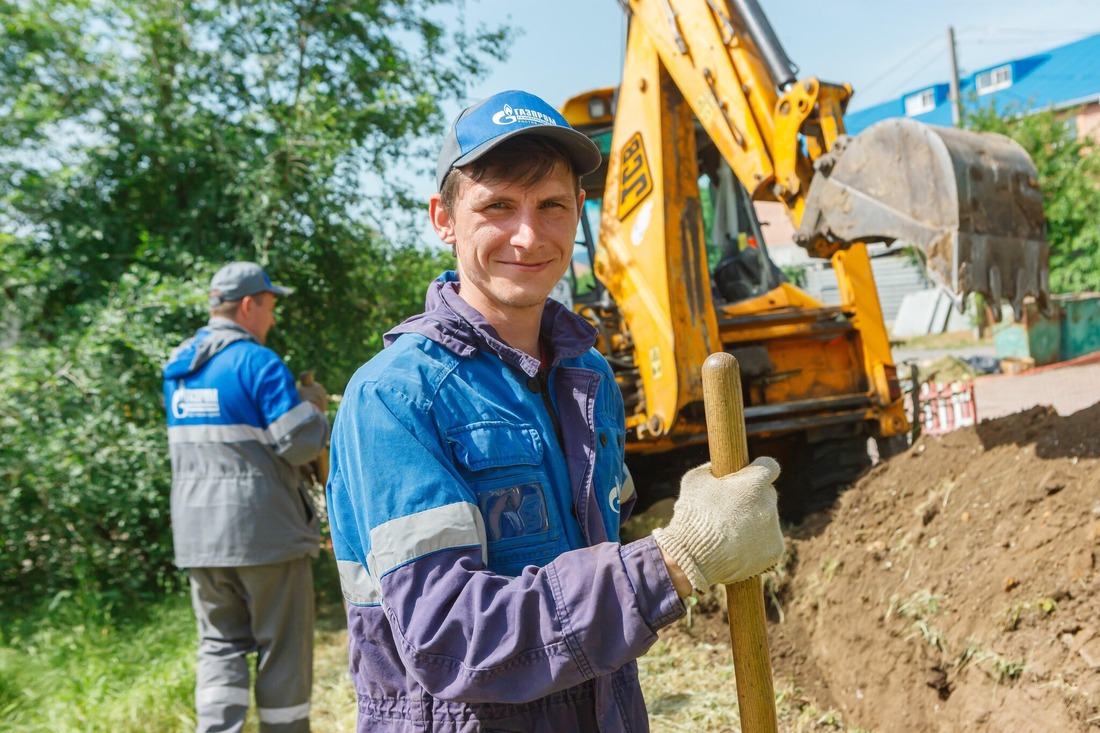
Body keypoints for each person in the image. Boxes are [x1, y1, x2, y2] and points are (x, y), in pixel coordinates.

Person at [325, 90, 784, 732]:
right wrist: (676, 560)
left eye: (552, 206)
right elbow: (452, 637)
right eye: (497, 207)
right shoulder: (396, 398)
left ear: (577, 215)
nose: (528, 235)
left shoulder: (587, 376)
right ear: (443, 218)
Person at [163, 261, 329, 733]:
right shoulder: (257, 362)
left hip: (199, 536)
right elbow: (298, 442)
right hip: (265, 533)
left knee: (219, 646)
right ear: (250, 304)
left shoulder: (178, 364)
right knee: (282, 650)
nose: (273, 319)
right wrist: (314, 408)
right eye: (271, 306)